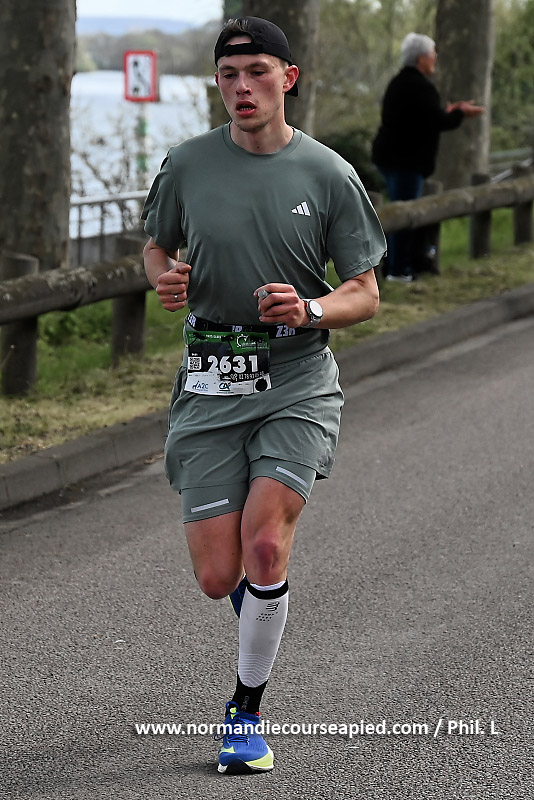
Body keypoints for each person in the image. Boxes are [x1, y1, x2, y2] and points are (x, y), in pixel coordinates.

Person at [141, 16, 386, 775]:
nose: (242, 88)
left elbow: (365, 292)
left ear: (289, 78)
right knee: (220, 577)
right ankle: (262, 606)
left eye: (257, 73)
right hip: (212, 377)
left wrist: (310, 308)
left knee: (265, 545)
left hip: (297, 378)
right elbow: (155, 245)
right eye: (228, 76)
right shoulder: (187, 164)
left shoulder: (328, 173)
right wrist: (164, 278)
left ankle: (245, 711)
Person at [372, 32, 484, 283]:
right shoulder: (420, 86)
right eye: (432, 54)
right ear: (421, 58)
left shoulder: (400, 83)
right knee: (405, 213)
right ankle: (398, 270)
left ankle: (397, 265)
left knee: (398, 209)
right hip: (405, 162)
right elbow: (438, 121)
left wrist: (449, 111)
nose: (435, 58)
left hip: (391, 158)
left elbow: (422, 117)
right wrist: (460, 114)